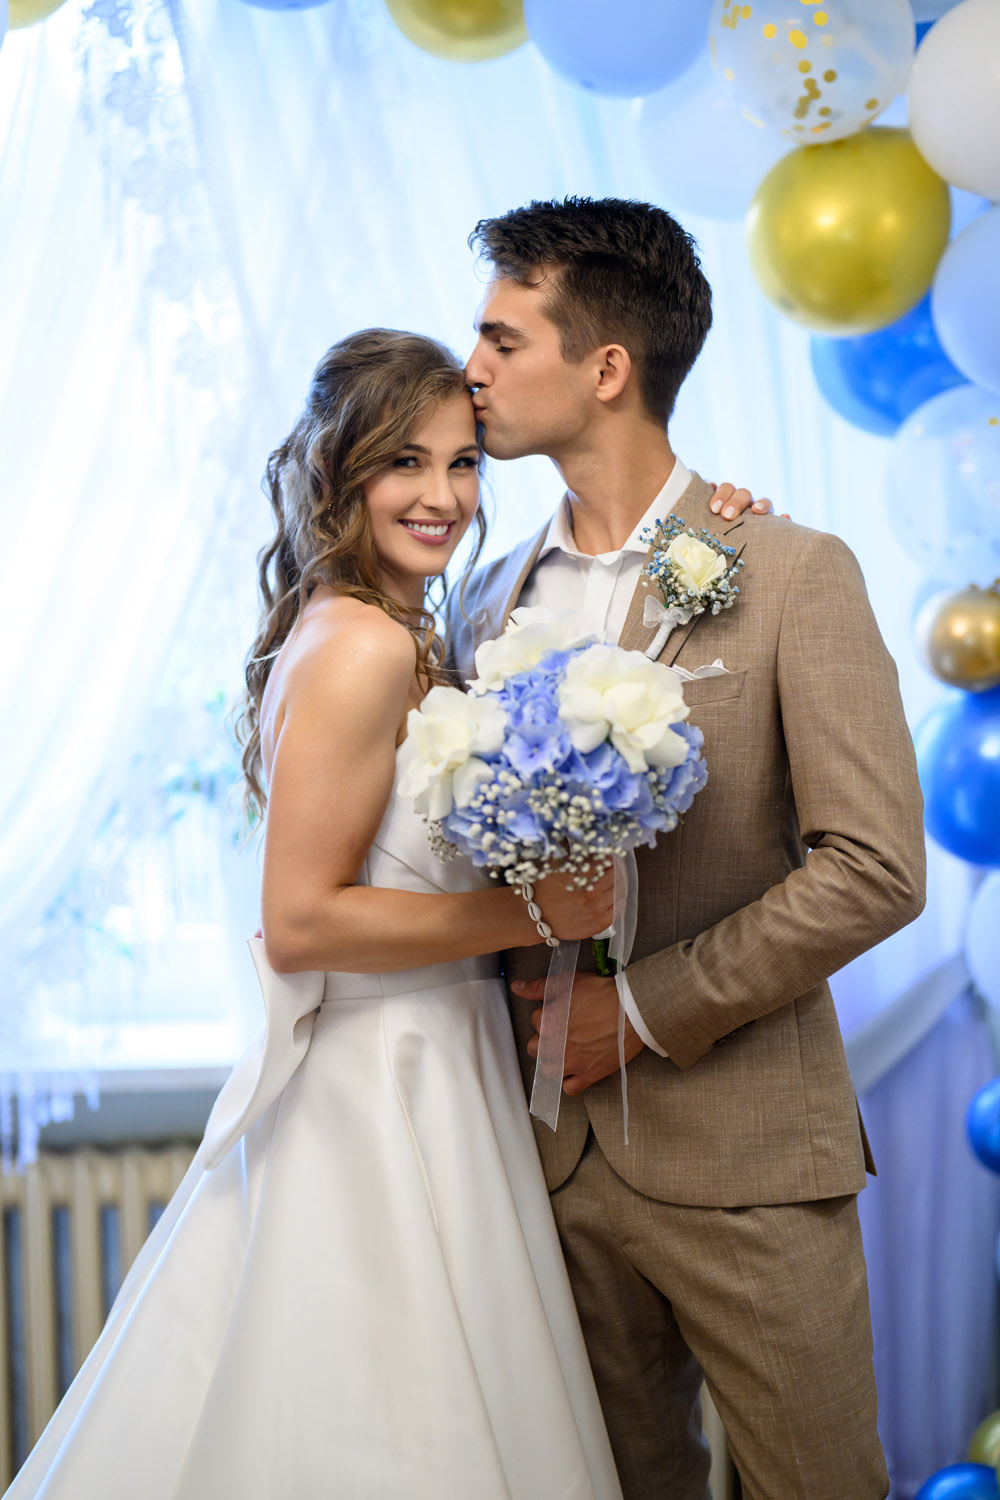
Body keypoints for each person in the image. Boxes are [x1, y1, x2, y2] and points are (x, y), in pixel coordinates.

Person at [5, 328, 764, 1500]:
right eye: (404, 462)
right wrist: (530, 915)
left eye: (462, 463)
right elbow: (302, 924)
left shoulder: (401, 630)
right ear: (338, 472)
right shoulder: (360, 645)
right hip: (385, 1080)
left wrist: (706, 534)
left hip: (441, 1055)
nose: (442, 497)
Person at [447, 197, 927, 1500]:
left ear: (607, 367)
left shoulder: (791, 569)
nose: (470, 369)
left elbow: (875, 866)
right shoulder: (481, 600)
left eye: (502, 339)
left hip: (747, 1151)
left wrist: (645, 1012)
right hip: (543, 1158)